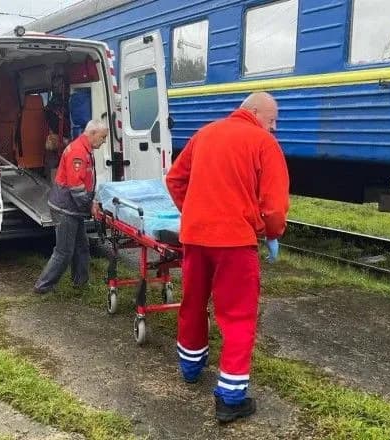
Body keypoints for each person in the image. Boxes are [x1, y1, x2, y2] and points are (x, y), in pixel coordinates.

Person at [165, 92, 289, 423]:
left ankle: (190, 367)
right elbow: (274, 206)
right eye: (272, 120)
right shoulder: (263, 143)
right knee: (238, 316)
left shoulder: (204, 134)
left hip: (195, 238)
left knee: (192, 302)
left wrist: (194, 212)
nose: (274, 127)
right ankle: (230, 398)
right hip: (235, 243)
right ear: (255, 112)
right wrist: (272, 233)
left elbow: (175, 179)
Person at [34, 119, 108, 294]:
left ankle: (80, 282)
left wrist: (92, 202)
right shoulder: (78, 152)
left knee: (81, 247)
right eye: (103, 137)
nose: (104, 141)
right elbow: (76, 187)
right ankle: (42, 287)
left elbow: (84, 182)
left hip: (72, 208)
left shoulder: (85, 149)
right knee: (64, 252)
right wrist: (90, 205)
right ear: (92, 134)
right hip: (65, 209)